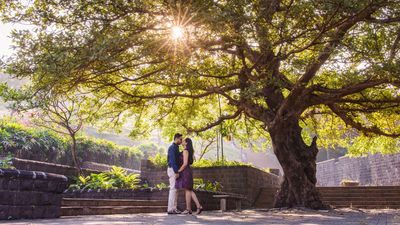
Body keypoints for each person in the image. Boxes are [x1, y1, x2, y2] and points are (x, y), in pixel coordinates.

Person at [175, 137, 203, 215]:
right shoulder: (188, 151)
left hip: (185, 172)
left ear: (186, 143)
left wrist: (178, 171)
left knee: (188, 190)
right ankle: (194, 208)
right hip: (187, 171)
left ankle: (190, 208)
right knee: (189, 190)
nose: (182, 142)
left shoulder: (185, 151)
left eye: (183, 141)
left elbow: (185, 163)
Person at [167, 133, 183, 214]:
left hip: (174, 170)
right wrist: (176, 172)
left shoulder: (176, 148)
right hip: (172, 170)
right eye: (180, 139)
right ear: (176, 138)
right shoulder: (172, 147)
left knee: (176, 190)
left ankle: (174, 208)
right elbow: (173, 161)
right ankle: (170, 209)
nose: (181, 141)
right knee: (173, 189)